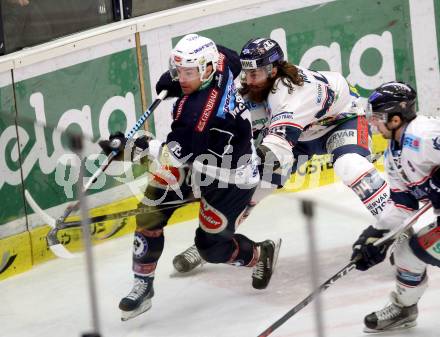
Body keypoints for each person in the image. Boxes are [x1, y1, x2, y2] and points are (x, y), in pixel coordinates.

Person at [99, 33, 281, 321]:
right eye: (179, 70)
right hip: (200, 161)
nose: (182, 78)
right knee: (149, 212)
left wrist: (132, 148)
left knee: (212, 247)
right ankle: (143, 286)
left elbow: (175, 154)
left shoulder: (199, 113)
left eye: (189, 72)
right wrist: (172, 79)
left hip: (230, 179)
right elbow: (228, 54)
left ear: (207, 69)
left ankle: (260, 253)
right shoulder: (221, 63)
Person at [172, 37, 390, 273]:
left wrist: (230, 174)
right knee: (252, 189)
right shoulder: (252, 93)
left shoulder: (292, 96)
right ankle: (219, 237)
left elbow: (273, 153)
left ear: (273, 70)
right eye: (246, 73)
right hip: (299, 137)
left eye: (255, 74)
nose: (248, 80)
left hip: (340, 123)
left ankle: (394, 222)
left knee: (350, 166)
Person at [350, 81, 440, 332]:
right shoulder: (393, 156)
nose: (372, 123)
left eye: (377, 117)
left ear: (396, 118)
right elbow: (403, 206)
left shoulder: (426, 135)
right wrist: (376, 236)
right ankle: (404, 308)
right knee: (405, 251)